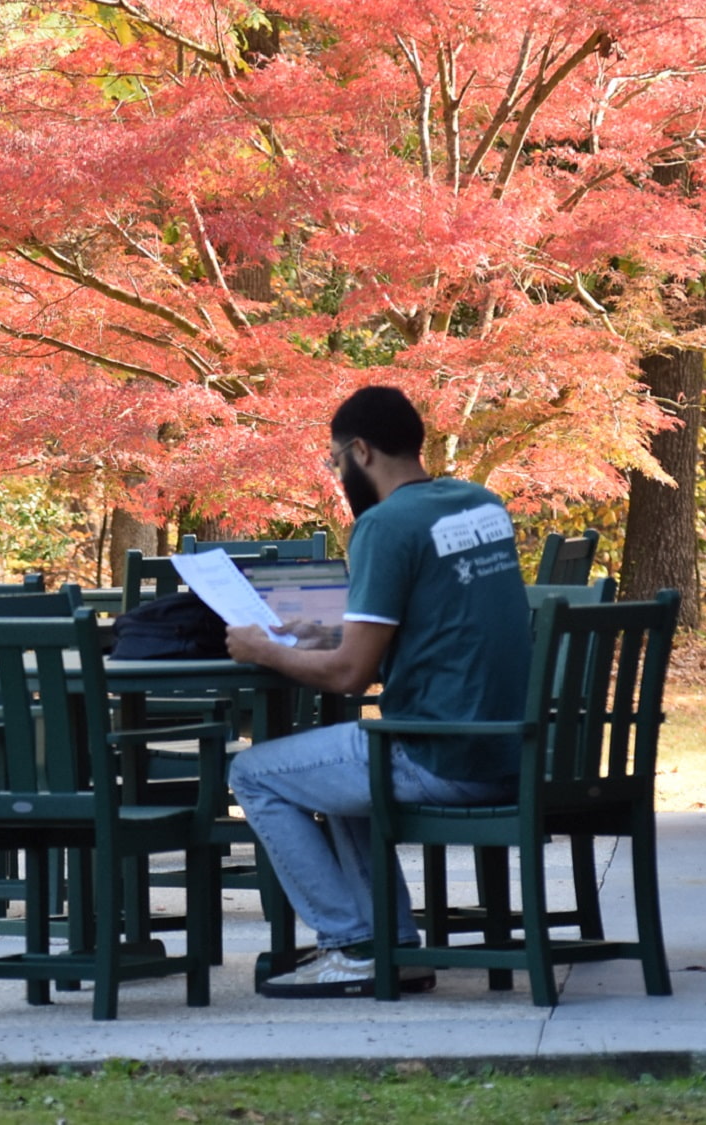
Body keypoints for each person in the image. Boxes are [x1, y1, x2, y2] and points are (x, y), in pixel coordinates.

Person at [225, 385, 530, 998]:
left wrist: (263, 650)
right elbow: (443, 623)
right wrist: (327, 636)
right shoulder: (481, 504)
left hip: (440, 752)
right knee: (333, 769)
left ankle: (353, 944)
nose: (339, 474)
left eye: (336, 460)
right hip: (511, 749)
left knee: (254, 774)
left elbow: (348, 678)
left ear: (360, 451)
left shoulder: (383, 525)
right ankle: (395, 949)